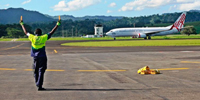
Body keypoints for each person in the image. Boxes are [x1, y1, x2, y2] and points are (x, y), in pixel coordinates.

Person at [20, 18, 61, 91]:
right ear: (41, 33)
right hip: (42, 56)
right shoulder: (43, 37)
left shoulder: (32, 37)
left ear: (35, 33)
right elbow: (52, 32)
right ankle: (39, 85)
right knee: (41, 71)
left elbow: (25, 32)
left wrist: (22, 24)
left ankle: (37, 83)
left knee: (36, 70)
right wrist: (57, 25)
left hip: (35, 57)